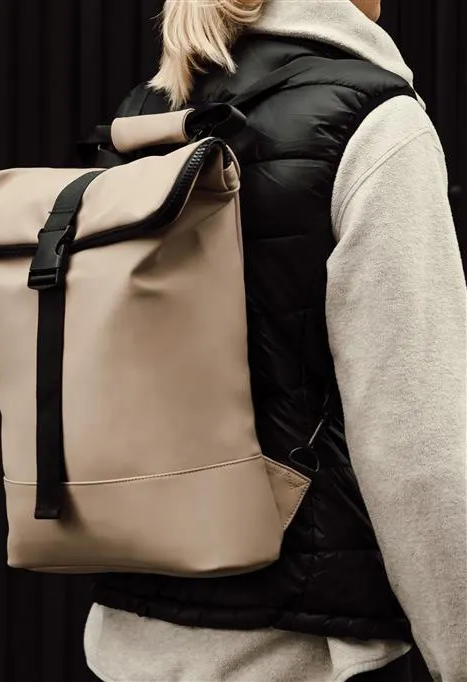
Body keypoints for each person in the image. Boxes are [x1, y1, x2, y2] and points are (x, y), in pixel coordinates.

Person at [82, 1, 467, 681]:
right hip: (300, 653)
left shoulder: (151, 111)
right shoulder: (375, 121)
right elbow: (419, 448)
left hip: (130, 644)